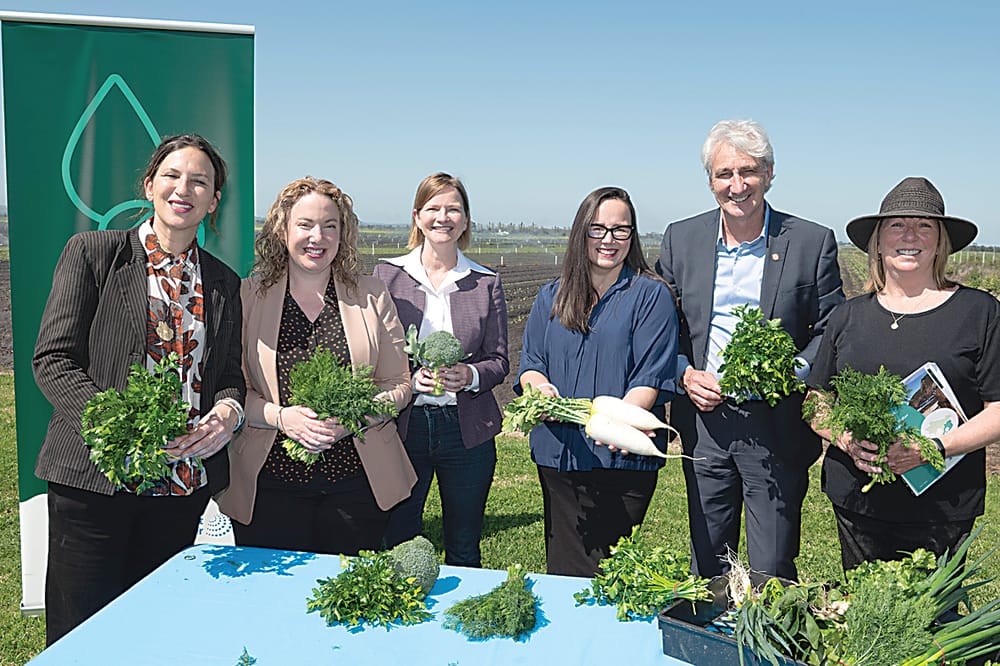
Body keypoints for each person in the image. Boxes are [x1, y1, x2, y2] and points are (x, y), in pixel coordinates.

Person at [33, 134, 245, 645]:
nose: (184, 188)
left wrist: (228, 412)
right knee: (79, 634)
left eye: (200, 181)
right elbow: (53, 359)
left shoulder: (223, 281)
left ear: (214, 201)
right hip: (93, 479)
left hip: (178, 487)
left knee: (153, 629)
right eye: (173, 176)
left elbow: (229, 376)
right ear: (150, 186)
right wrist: (121, 429)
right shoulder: (94, 254)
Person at [655, 119, 844, 580]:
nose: (737, 185)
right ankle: (712, 644)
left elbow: (830, 329)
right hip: (706, 423)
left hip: (775, 424)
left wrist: (785, 373)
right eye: (725, 174)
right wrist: (683, 373)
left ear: (769, 173)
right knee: (709, 557)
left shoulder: (809, 241)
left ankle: (766, 647)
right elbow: (665, 326)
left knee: (772, 563)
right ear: (710, 181)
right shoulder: (682, 238)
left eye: (748, 172)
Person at [806, 176, 1000, 571]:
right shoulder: (848, 316)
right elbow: (815, 403)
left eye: (924, 225)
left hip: (942, 506)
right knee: (865, 614)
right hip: (858, 503)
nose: (909, 235)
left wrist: (932, 449)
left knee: (933, 624)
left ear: (940, 241)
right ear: (878, 241)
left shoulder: (978, 312)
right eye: (897, 225)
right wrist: (845, 438)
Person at [217, 177, 416, 556]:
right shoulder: (248, 295)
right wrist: (281, 417)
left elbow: (399, 384)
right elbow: (235, 386)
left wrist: (353, 419)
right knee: (274, 600)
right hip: (269, 486)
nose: (317, 237)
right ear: (283, 229)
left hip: (358, 486)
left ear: (343, 234)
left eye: (330, 226)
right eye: (305, 224)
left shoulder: (371, 294)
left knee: (346, 599)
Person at [517, 186, 678, 577]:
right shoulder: (551, 297)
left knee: (610, 572)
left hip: (622, 455)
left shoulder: (651, 296)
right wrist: (539, 390)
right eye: (598, 229)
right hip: (560, 455)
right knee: (566, 570)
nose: (609, 240)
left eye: (620, 230)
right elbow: (531, 363)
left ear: (632, 236)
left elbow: (649, 375)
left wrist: (618, 423)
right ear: (581, 233)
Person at [374, 172, 509, 567]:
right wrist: (409, 378)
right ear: (417, 217)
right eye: (433, 208)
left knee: (464, 543)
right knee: (399, 536)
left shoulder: (485, 283)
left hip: (466, 432)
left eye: (453, 209)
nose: (443, 217)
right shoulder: (386, 277)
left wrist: (471, 377)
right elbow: (373, 352)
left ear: (466, 221)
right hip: (403, 426)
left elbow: (499, 360)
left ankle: (462, 618)